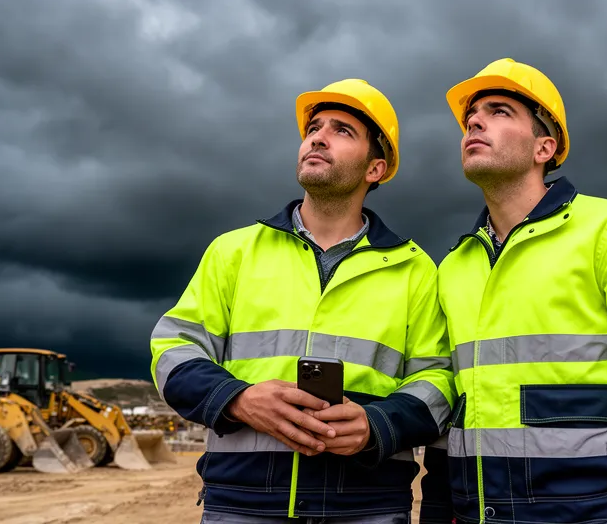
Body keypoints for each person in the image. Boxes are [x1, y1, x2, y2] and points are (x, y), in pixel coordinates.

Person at [420, 58, 607, 524]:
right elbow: (454, 410)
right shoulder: (454, 268)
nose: (474, 120)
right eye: (471, 116)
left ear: (545, 147)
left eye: (499, 111)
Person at [150, 78, 454, 523]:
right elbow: (173, 350)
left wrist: (378, 424)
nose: (317, 137)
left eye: (342, 130)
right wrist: (237, 399)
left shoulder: (415, 270)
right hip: (242, 504)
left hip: (366, 508)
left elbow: (440, 378)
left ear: (376, 168)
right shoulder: (234, 251)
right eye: (314, 127)